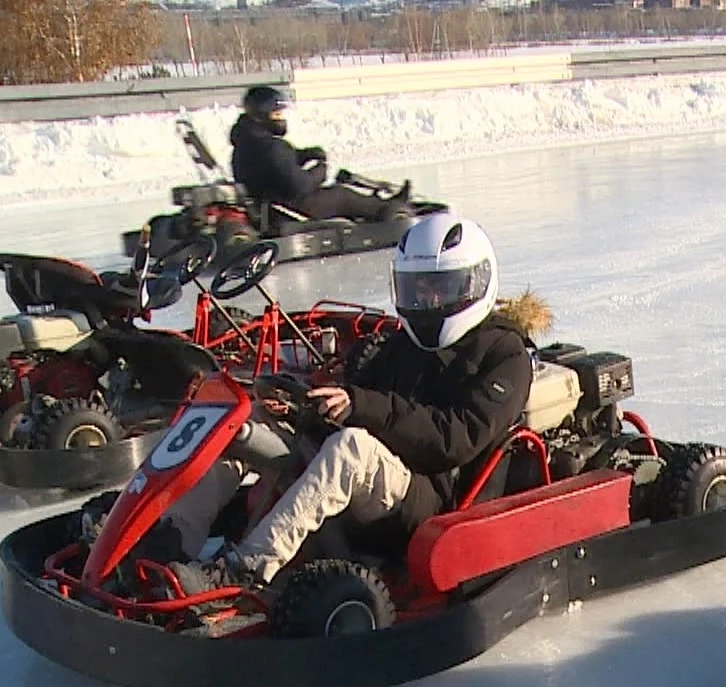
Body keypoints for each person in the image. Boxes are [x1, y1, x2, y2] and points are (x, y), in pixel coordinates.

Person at [162, 212, 533, 587]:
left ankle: (244, 570)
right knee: (248, 423)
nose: (427, 300)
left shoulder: (504, 354)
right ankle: (171, 539)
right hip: (381, 480)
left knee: (351, 447)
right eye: (417, 288)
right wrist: (302, 408)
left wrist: (358, 405)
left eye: (440, 287)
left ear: (476, 282)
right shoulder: (403, 346)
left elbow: (454, 439)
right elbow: (356, 402)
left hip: (435, 500)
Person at [229, 85, 411, 223]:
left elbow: (278, 164)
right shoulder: (270, 147)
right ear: (263, 116)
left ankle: (380, 203)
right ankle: (390, 211)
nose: (281, 119)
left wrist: (306, 154)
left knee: (339, 188)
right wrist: (320, 170)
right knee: (342, 194)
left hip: (272, 204)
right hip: (291, 207)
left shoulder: (246, 143)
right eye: (277, 114)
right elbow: (300, 186)